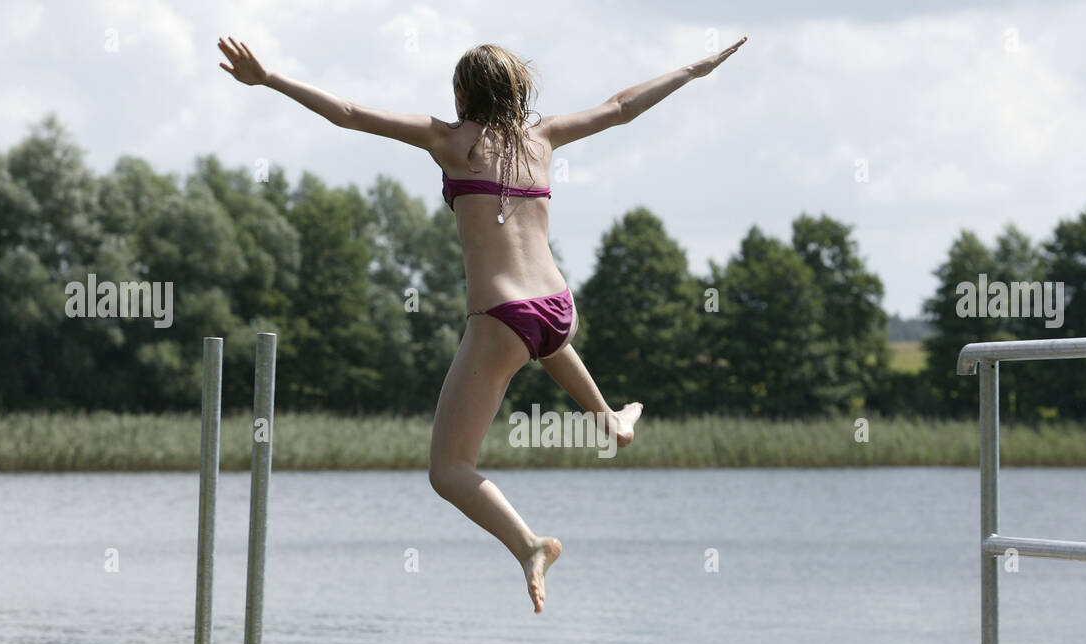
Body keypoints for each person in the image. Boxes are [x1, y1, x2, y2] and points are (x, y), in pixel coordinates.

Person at [219, 34, 746, 612]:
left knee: (448, 471)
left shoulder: (447, 140)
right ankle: (610, 422)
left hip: (501, 315)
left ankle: (529, 545)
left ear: (463, 91)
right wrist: (692, 70)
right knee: (545, 345)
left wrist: (269, 79)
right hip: (557, 308)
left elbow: (346, 113)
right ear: (518, 89)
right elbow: (622, 107)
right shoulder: (542, 138)